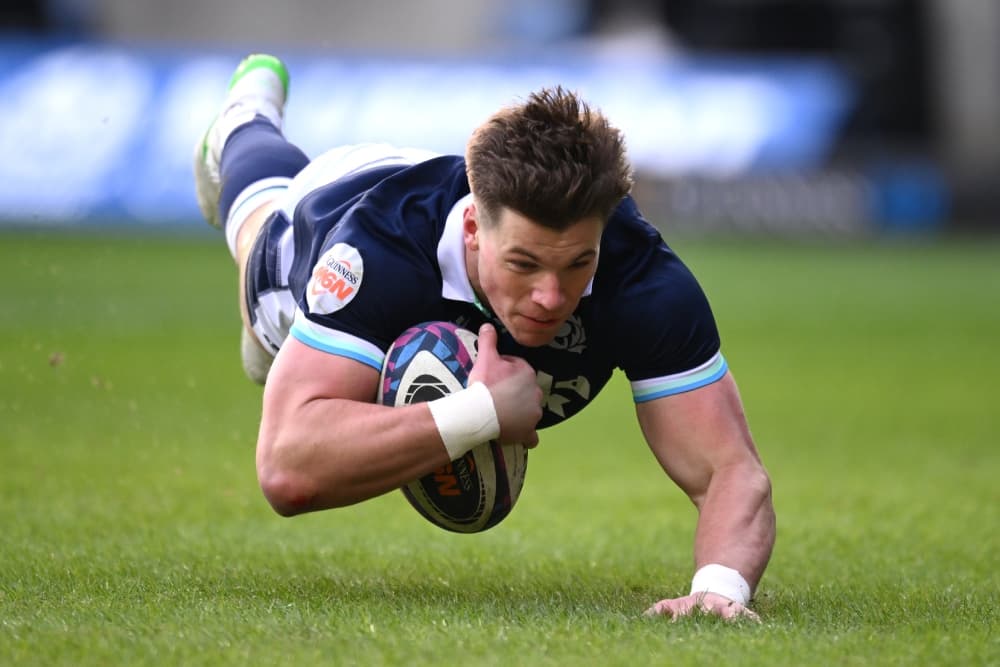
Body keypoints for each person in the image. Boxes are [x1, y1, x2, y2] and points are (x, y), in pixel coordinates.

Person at [194, 54, 775, 621]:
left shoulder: (643, 281)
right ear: (473, 230)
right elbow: (287, 470)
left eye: (577, 264)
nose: (550, 295)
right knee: (255, 236)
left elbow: (731, 470)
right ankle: (243, 119)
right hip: (332, 206)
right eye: (524, 264)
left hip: (457, 188)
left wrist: (719, 589)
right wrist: (481, 413)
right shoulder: (375, 255)